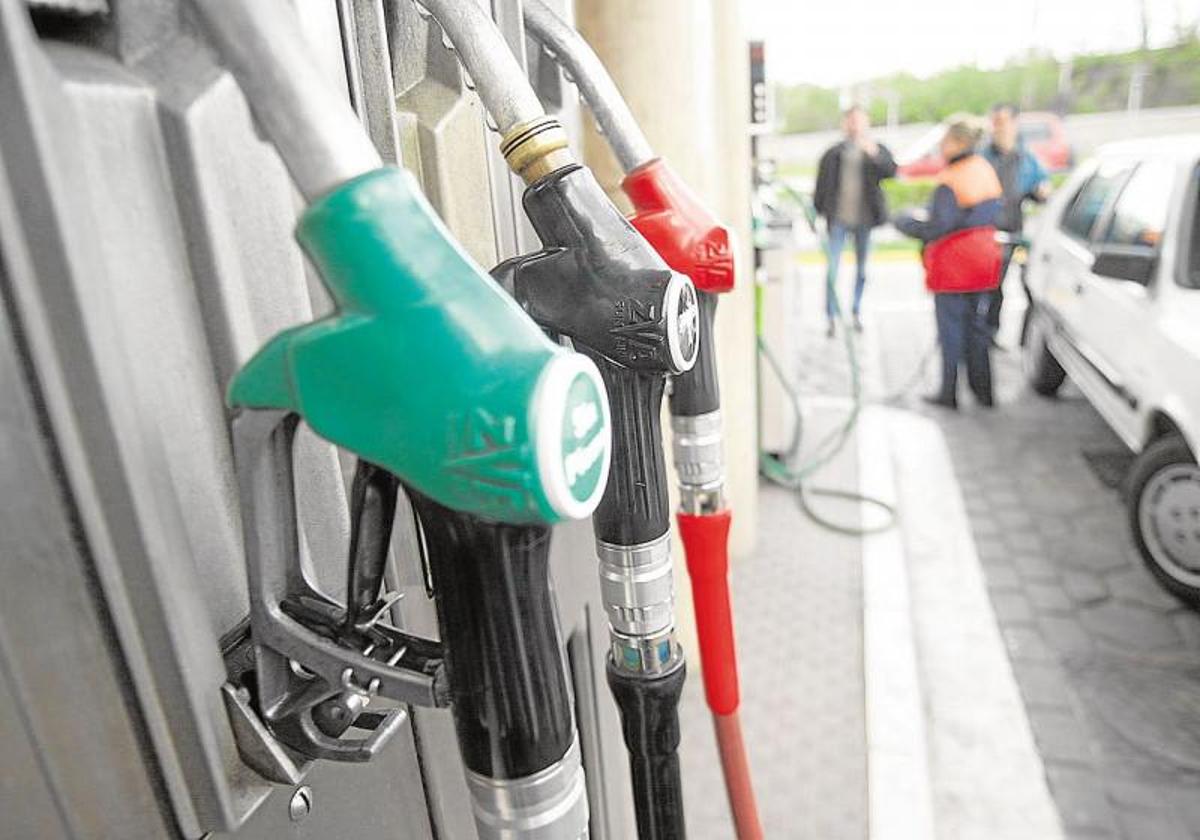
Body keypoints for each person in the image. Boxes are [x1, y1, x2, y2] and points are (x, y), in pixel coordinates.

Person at [894, 116, 1003, 410]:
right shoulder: (984, 169)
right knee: (977, 327)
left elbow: (939, 225)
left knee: (951, 329)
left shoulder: (951, 178)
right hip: (984, 260)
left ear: (960, 142)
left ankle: (948, 392)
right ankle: (984, 392)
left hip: (956, 265)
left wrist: (905, 223)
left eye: (945, 141)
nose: (941, 147)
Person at [813, 105, 897, 337]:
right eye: (851, 120)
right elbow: (821, 186)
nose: (855, 125)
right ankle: (831, 316)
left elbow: (891, 171)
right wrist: (818, 212)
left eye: (859, 121)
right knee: (832, 269)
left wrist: (874, 154)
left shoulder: (875, 150)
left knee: (861, 269)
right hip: (838, 219)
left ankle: (856, 311)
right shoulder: (833, 153)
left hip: (865, 220)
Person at [981, 103, 1051, 343]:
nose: (998, 127)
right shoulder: (983, 157)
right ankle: (985, 332)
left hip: (1015, 234)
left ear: (1014, 124)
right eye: (995, 121)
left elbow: (1041, 187)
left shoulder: (1026, 158)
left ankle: (1011, 336)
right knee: (989, 285)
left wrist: (1042, 191)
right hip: (987, 233)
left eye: (1003, 121)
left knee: (1017, 281)